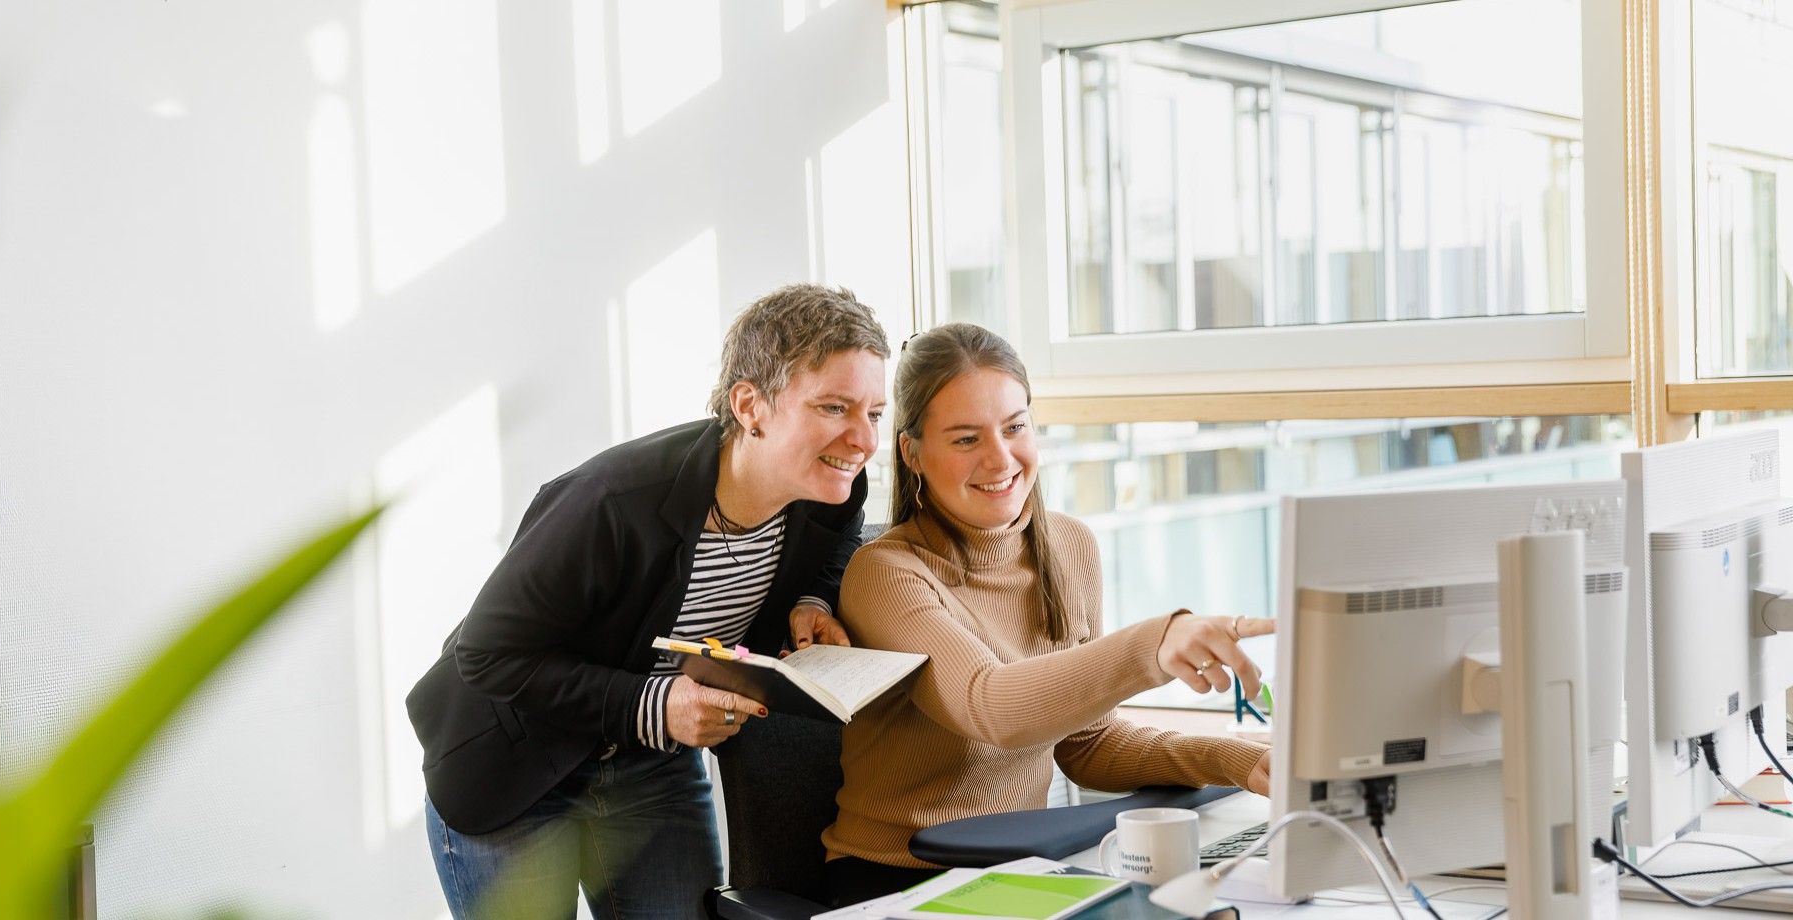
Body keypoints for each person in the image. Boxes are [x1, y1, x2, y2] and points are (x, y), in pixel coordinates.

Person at [407, 284, 891, 920]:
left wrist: (811, 597)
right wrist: (655, 703)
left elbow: (834, 547)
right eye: (835, 407)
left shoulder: (831, 489)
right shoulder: (608, 501)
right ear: (751, 405)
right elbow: (487, 654)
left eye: (876, 414)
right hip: (515, 766)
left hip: (648, 766)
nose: (862, 440)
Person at [820, 323, 1274, 905]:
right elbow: (991, 706)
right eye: (964, 440)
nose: (1001, 458)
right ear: (913, 453)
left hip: (1018, 874)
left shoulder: (1071, 547)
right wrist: (1153, 647)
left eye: (1015, 427)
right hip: (896, 879)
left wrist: (1240, 760)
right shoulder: (886, 572)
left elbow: (1088, 745)